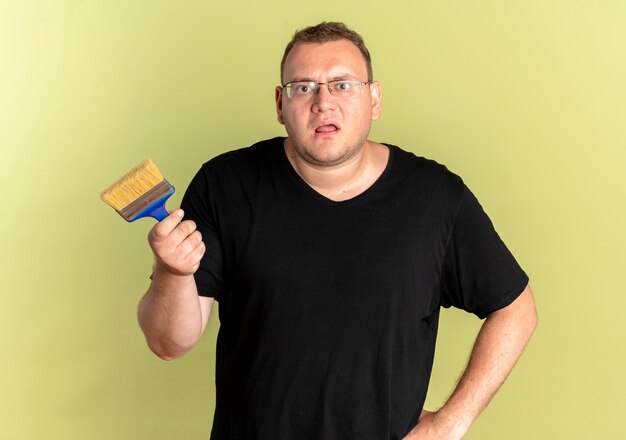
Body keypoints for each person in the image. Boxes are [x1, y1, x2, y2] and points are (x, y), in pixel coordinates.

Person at [137, 22, 538, 440]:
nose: (323, 103)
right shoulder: (225, 185)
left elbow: (517, 309)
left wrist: (450, 422)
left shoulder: (436, 198)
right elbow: (169, 344)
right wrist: (173, 273)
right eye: (303, 87)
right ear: (280, 103)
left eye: (343, 85)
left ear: (375, 98)